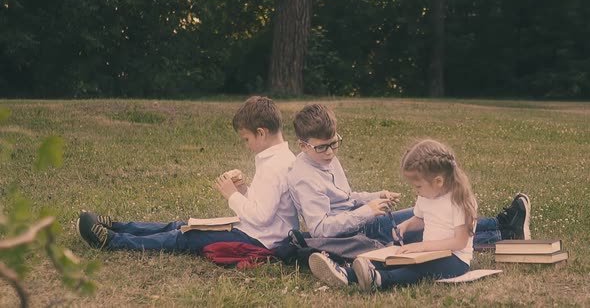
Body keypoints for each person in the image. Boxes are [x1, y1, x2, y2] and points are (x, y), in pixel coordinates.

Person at [287, 104, 530, 287]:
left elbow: (346, 196)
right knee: (427, 231)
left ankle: (504, 227)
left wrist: (374, 196)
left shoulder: (325, 158)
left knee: (435, 225)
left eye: (334, 144)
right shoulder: (304, 177)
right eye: (323, 147)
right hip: (353, 230)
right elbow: (320, 229)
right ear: (303, 146)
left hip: (363, 219)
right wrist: (367, 211)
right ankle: (505, 228)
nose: (330, 152)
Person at [76, 96, 299, 253]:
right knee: (184, 224)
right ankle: (118, 225)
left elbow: (262, 218)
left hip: (260, 240)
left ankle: (113, 241)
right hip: (254, 230)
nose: (247, 145)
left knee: (186, 236)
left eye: (246, 139)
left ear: (261, 132)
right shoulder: (278, 159)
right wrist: (243, 190)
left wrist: (232, 195)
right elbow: (266, 207)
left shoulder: (275, 166)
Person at [351, 139, 477, 291]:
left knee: (419, 271)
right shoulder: (426, 196)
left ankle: (380, 280)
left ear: (438, 181)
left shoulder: (459, 200)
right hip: (429, 253)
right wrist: (405, 226)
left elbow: (459, 242)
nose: (415, 190)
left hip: (454, 259)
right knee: (397, 258)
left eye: (418, 186)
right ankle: (349, 274)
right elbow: (420, 219)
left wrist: (422, 247)